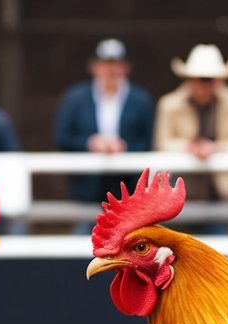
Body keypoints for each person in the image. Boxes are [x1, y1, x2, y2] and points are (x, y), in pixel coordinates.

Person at [52, 38, 155, 233]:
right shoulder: (75, 98)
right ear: (94, 67)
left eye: (116, 65)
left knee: (127, 243)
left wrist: (124, 147)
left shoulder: (140, 100)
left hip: (127, 189)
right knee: (84, 239)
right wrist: (90, 143)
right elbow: (62, 137)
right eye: (106, 64)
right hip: (87, 188)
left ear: (125, 67)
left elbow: (147, 140)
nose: (111, 71)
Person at [154, 44, 228, 234]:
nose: (205, 84)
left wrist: (216, 148)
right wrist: (189, 147)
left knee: (217, 253)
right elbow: (162, 142)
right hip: (180, 194)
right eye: (201, 78)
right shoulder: (169, 104)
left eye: (210, 79)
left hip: (223, 190)